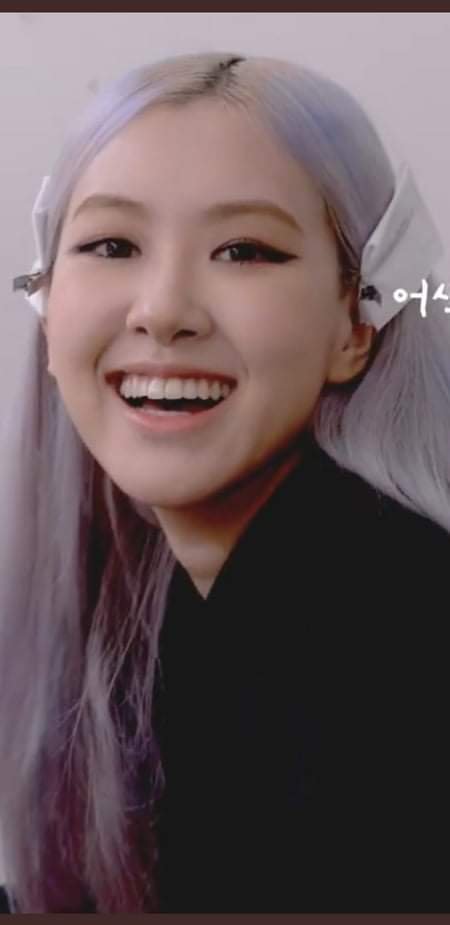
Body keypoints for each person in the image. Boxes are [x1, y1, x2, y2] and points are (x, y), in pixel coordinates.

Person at [1, 50, 449, 913]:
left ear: (357, 323)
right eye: (111, 244)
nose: (164, 309)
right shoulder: (190, 609)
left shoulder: (389, 644)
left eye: (245, 250)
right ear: (46, 300)